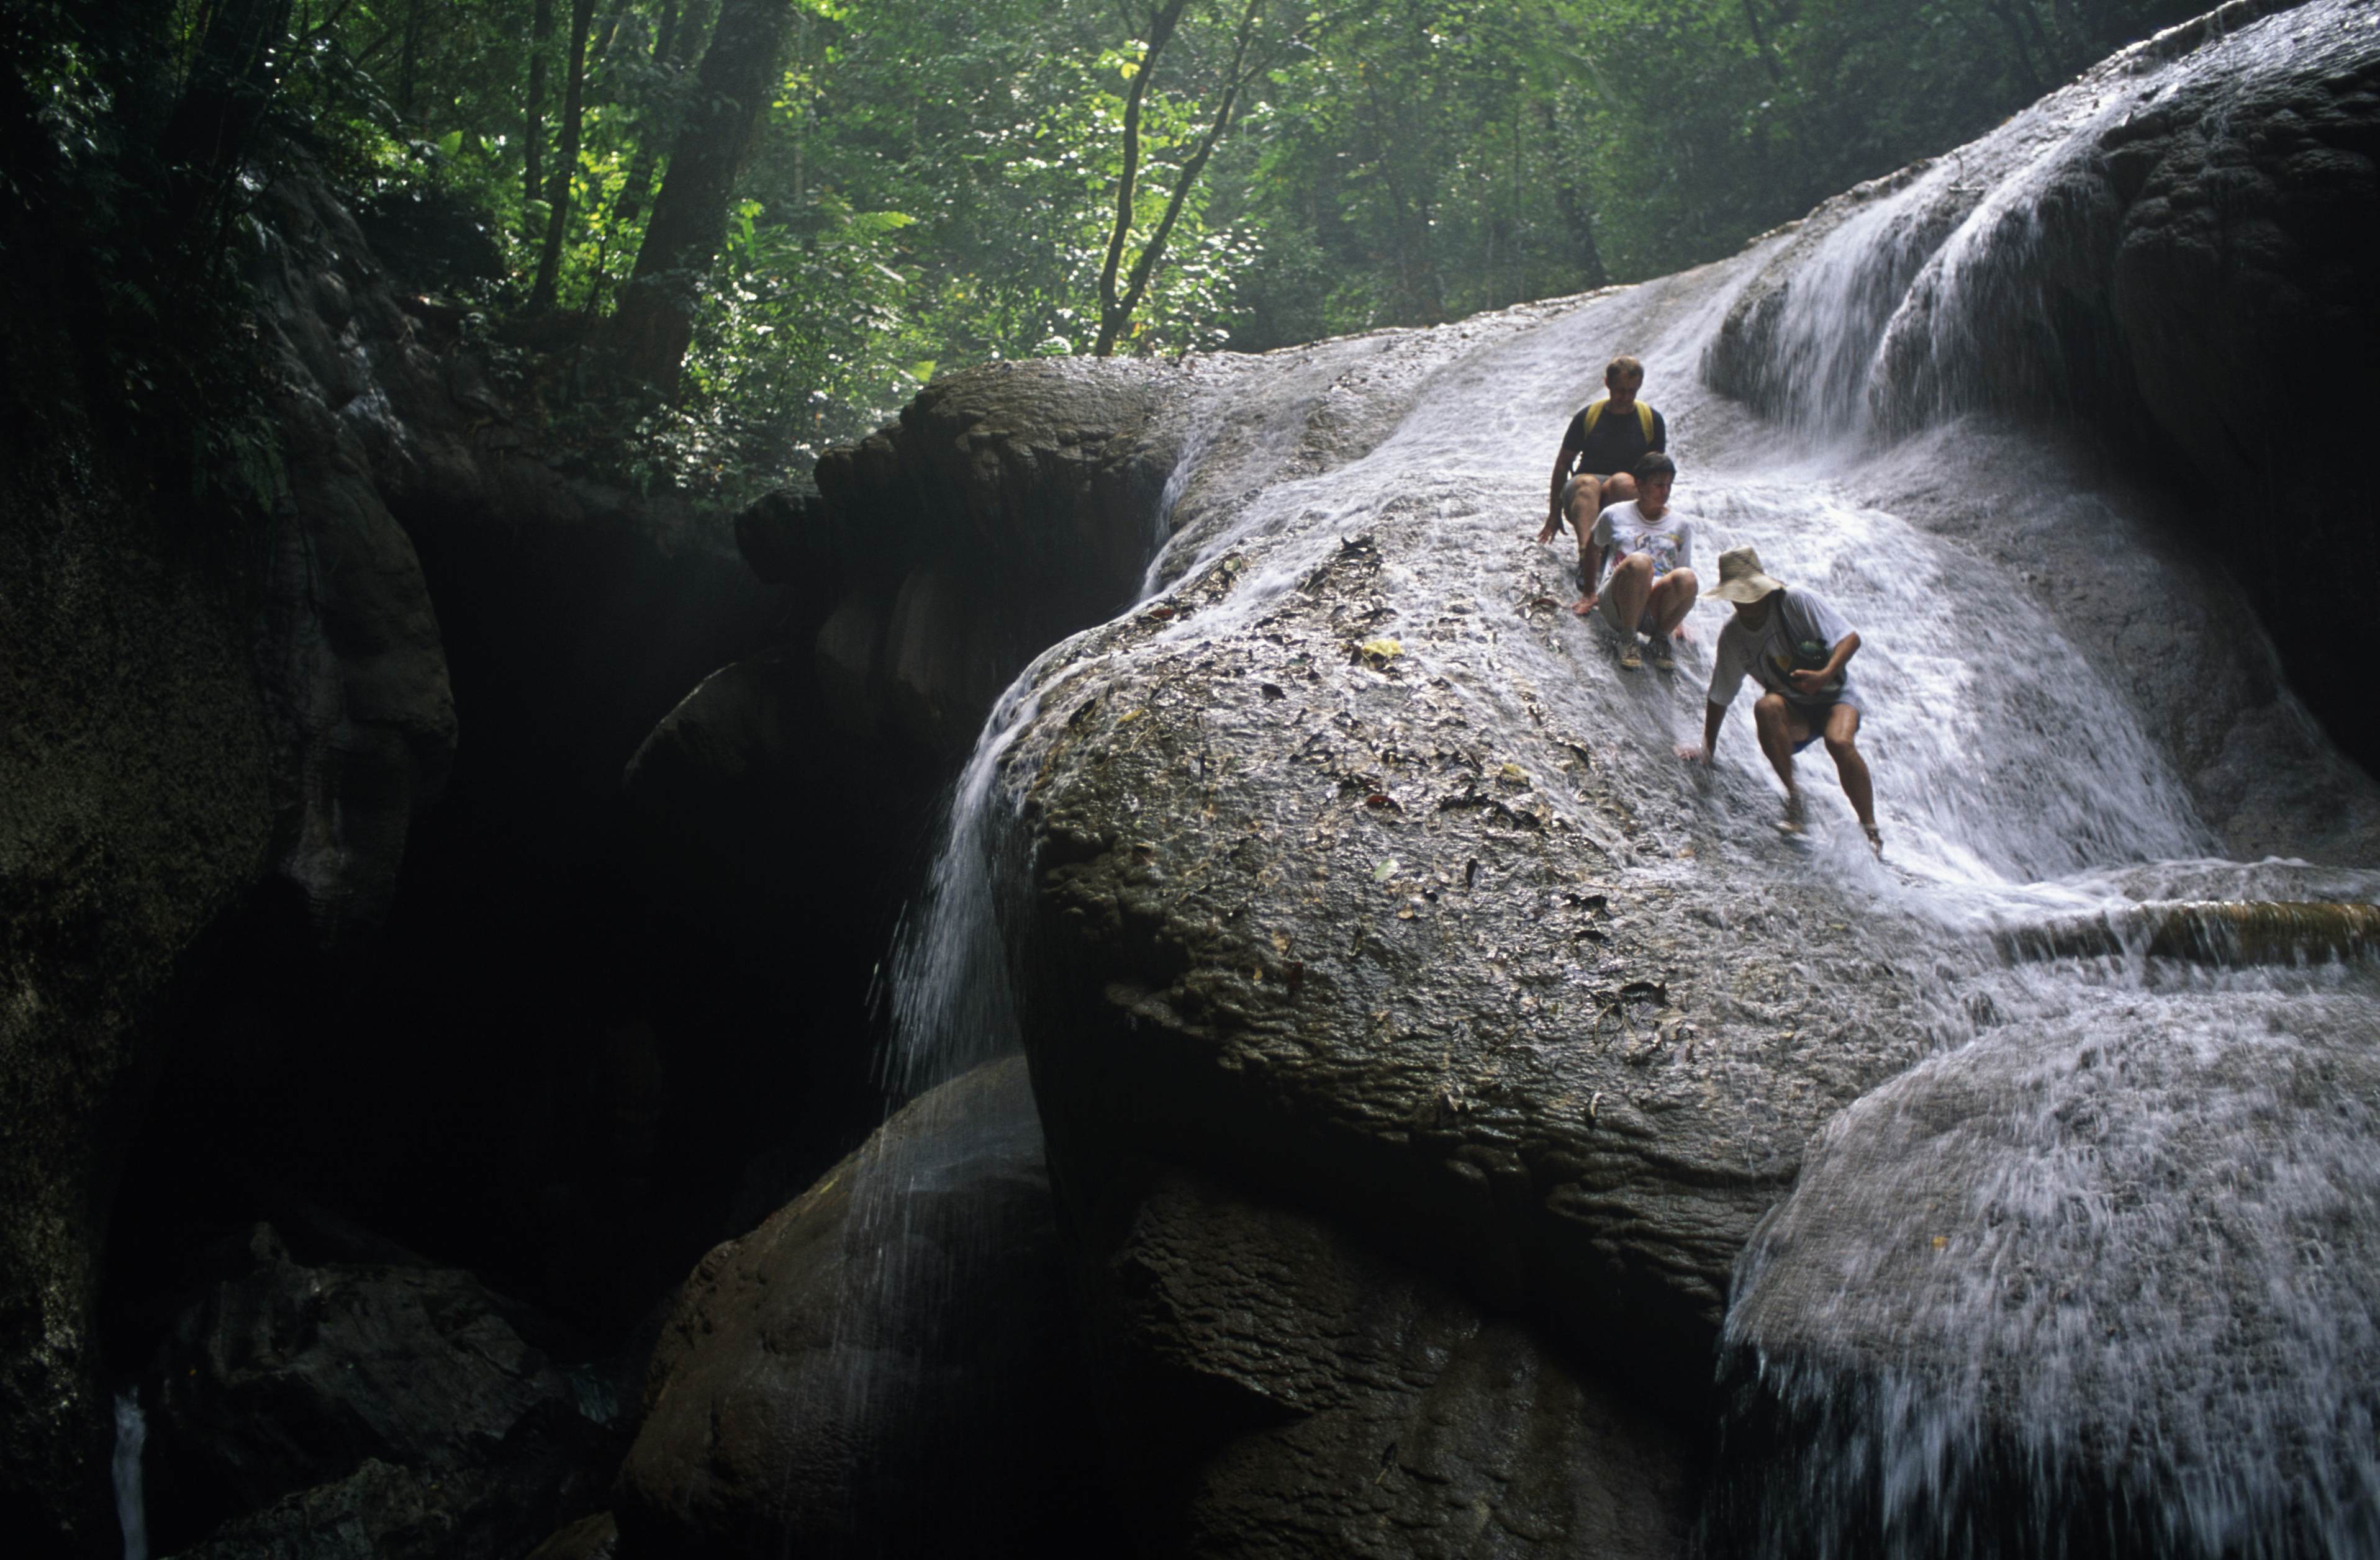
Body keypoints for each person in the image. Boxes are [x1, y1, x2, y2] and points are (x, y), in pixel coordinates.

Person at [1676, 546, 1882, 850]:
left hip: (1835, 695)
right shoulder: (1734, 636)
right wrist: (1708, 748)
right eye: (1739, 594)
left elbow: (1850, 638)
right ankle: (1794, 799)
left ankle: (1870, 829)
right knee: (1766, 706)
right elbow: (1720, 694)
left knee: (1838, 741)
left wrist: (1824, 674)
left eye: (1752, 591)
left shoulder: (1795, 601)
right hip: (1794, 709)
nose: (1748, 601)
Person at [1537, 354, 1668, 615]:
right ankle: (1588, 556)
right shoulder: (1588, 416)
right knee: (1586, 483)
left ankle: (1616, 552)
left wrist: (1658, 517)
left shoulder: (1651, 420)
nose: (1625, 397)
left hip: (1625, 495)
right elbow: (1563, 464)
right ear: (1607, 383)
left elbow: (1657, 473)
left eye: (1632, 391)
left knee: (1622, 481)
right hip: (1585, 495)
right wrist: (1554, 515)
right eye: (1620, 390)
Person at [1578, 452, 1698, 672]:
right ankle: (1629, 638)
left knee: (1687, 578)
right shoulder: (1615, 514)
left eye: (1669, 486)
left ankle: (1661, 638)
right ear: (1640, 485)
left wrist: (1677, 620)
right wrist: (1588, 592)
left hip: (1654, 608)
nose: (1665, 492)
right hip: (1618, 603)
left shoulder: (1682, 525)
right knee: (1641, 563)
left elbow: (1682, 571)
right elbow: (1593, 548)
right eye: (1658, 485)